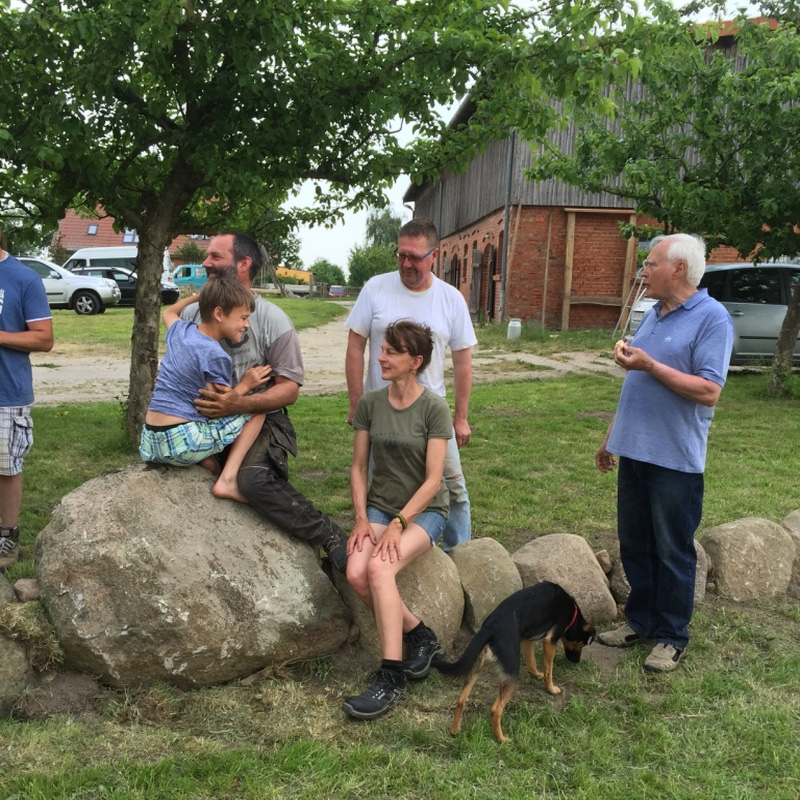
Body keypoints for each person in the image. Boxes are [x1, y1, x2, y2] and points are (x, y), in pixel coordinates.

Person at [595, 233, 733, 673]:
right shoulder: (653, 314)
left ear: (678, 269)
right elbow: (635, 385)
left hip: (675, 461)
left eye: (650, 264)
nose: (642, 272)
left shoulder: (713, 319)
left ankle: (672, 636)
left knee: (673, 550)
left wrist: (650, 364)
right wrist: (610, 437)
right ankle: (640, 620)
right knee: (636, 543)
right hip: (633, 452)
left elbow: (710, 391)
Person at [180, 231, 350, 570]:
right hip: (204, 417)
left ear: (243, 265)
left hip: (260, 419)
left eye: (215, 256)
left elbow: (289, 390)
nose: (205, 262)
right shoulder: (189, 318)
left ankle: (328, 534)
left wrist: (238, 403)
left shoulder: (273, 321)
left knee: (254, 480)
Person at [342, 321, 453, 720]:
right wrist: (360, 519)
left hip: (425, 512)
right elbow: (357, 468)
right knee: (356, 572)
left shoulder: (434, 408)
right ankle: (421, 635)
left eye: (391, 352)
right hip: (378, 507)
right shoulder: (371, 403)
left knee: (378, 568)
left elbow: (433, 481)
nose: (381, 357)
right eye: (382, 349)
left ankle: (391, 679)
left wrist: (399, 523)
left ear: (416, 361)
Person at [345, 218, 477, 552]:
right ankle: (387, 542)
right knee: (383, 484)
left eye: (415, 257)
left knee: (452, 487)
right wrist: (356, 402)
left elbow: (463, 361)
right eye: (401, 255)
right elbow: (355, 347)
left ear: (435, 254)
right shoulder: (376, 288)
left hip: (431, 414)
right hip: (383, 411)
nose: (406, 264)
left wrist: (460, 417)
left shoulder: (450, 299)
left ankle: (459, 555)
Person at [140, 276, 272, 503]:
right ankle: (228, 481)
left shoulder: (180, 331)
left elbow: (168, 313)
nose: (246, 325)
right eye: (243, 317)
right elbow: (217, 406)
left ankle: (206, 462)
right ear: (219, 314)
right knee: (258, 408)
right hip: (181, 440)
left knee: (209, 459)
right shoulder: (215, 354)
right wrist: (246, 385)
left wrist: (200, 297)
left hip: (150, 442)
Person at [0, 233, 54, 570]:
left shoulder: (23, 278)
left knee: (5, 467)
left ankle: (7, 536)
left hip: (6, 392)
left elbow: (44, 338)